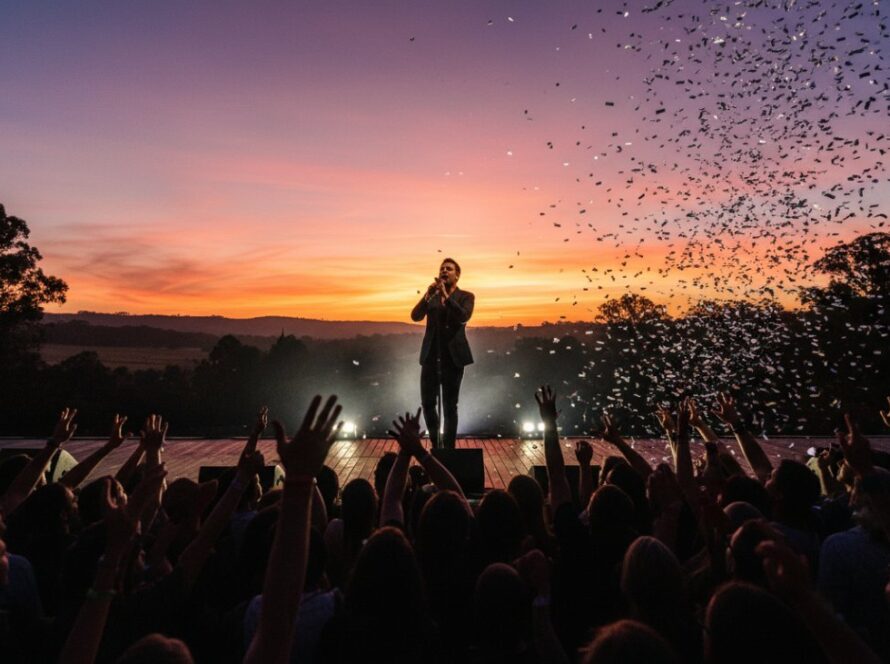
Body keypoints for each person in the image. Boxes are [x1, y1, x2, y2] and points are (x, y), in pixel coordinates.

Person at [410, 257, 474, 449]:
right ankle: (437, 445)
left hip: (453, 358)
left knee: (449, 406)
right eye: (441, 269)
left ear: (457, 275)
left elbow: (463, 316)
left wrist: (446, 295)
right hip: (430, 356)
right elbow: (415, 316)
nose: (444, 271)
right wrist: (427, 295)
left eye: (449, 269)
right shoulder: (433, 297)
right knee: (428, 403)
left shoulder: (466, 297)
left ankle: (449, 449)